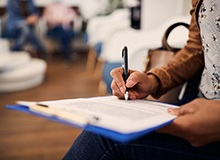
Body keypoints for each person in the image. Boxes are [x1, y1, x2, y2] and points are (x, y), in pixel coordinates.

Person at [62, 0, 220, 159]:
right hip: (195, 103)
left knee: (104, 138)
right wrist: (154, 79)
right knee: (108, 127)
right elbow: (196, 49)